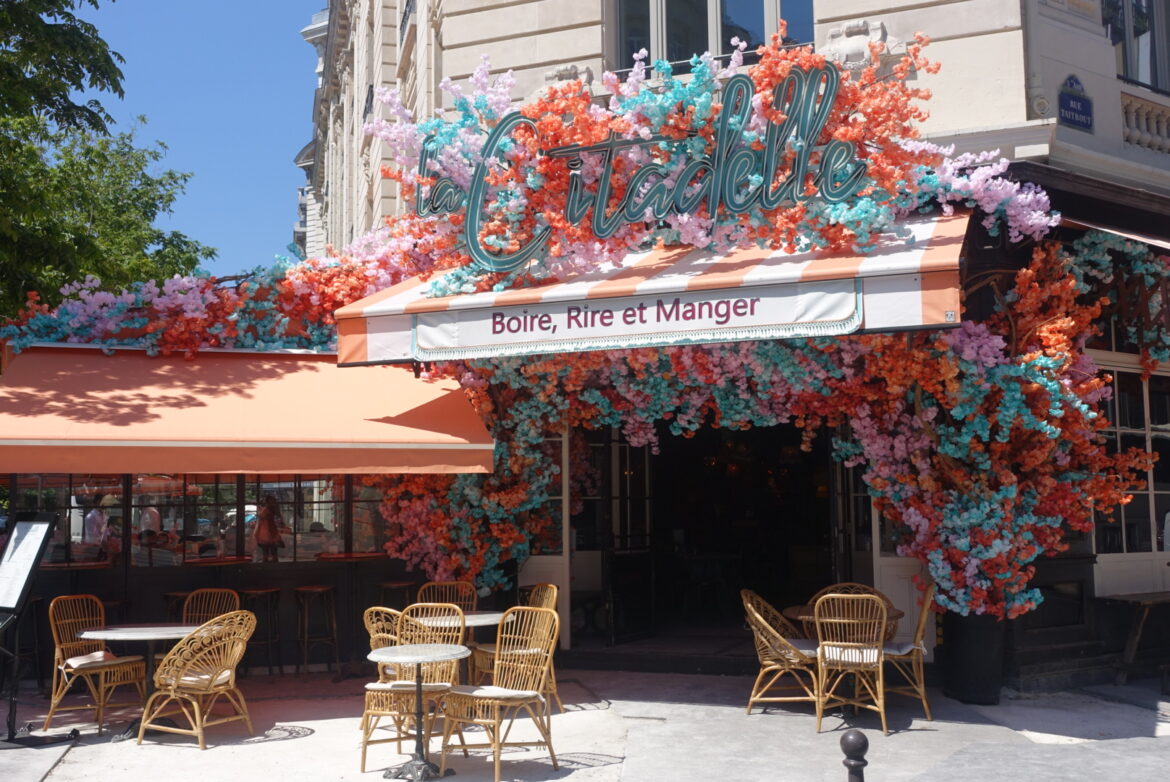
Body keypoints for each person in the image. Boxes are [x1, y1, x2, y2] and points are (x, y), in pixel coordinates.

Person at [254, 495, 285, 563]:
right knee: (269, 548)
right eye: (271, 501)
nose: (272, 502)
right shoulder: (267, 509)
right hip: (267, 529)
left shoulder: (269, 509)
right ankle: (270, 559)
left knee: (269, 547)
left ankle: (269, 559)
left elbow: (262, 517)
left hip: (268, 529)